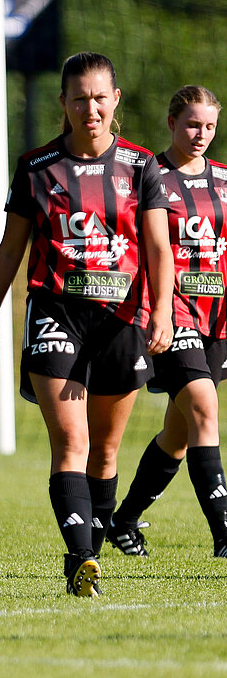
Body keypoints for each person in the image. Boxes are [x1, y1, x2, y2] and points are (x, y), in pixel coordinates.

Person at [0, 51, 174, 598]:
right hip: (56, 314)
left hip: (122, 319)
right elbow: (9, 253)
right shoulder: (36, 168)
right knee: (72, 442)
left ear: (115, 100)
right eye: (79, 98)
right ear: (63, 103)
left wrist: (162, 311)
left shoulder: (141, 166)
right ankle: (80, 557)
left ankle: (93, 550)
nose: (90, 107)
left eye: (99, 97)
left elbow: (157, 246)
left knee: (106, 450)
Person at [109, 85, 227, 558]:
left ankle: (125, 518)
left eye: (211, 126)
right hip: (172, 311)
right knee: (203, 408)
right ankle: (223, 534)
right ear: (171, 123)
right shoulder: (149, 175)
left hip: (217, 317)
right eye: (193, 124)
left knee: (179, 434)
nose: (201, 135)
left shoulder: (224, 179)